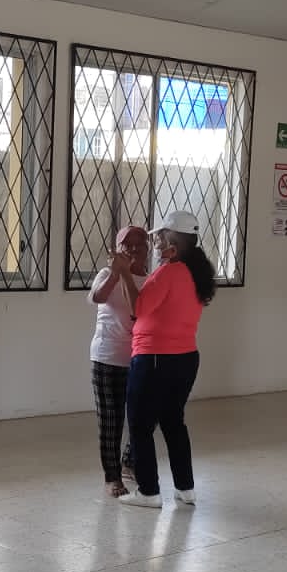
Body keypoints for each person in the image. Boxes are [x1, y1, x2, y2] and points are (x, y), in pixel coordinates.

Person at [120, 211, 216, 509]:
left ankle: (148, 491)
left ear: (173, 242)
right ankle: (185, 488)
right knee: (174, 423)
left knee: (140, 425)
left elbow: (138, 307)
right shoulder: (195, 272)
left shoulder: (170, 272)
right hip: (184, 358)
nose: (156, 242)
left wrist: (124, 272)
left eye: (160, 237)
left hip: (155, 358)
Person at [88, 225, 149, 497]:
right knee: (111, 421)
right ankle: (112, 477)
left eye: (140, 244)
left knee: (143, 417)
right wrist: (116, 272)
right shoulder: (106, 274)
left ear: (148, 249)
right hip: (107, 356)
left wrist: (126, 274)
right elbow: (97, 297)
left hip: (140, 358)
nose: (133, 249)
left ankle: (129, 462)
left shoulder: (151, 281)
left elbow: (139, 312)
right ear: (117, 249)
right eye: (127, 244)